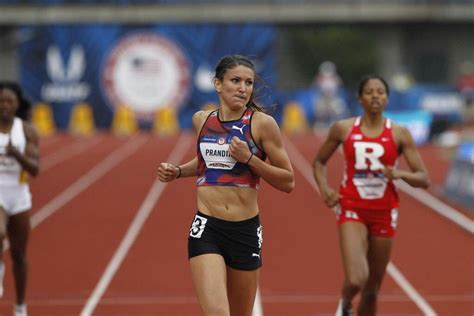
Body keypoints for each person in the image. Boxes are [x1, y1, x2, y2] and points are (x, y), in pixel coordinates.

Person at [158, 55, 294, 315]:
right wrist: (177, 171)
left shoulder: (262, 125)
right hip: (207, 227)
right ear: (218, 84)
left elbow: (288, 181)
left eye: (249, 82)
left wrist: (250, 159)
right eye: (235, 81)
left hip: (245, 230)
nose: (243, 88)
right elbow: (205, 164)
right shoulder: (202, 120)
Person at [312, 75, 430, 316]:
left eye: (380, 92)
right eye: (369, 92)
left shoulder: (399, 133)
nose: (375, 96)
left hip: (385, 212)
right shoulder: (343, 128)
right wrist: (325, 189)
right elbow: (318, 162)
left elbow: (423, 178)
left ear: (387, 98)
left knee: (372, 290)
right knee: (356, 279)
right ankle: (345, 304)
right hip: (351, 207)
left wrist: (397, 173)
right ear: (359, 98)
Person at [0, 81, 39, 316]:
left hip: (19, 194)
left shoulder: (26, 131)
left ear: (17, 105)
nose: (4, 105)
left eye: (9, 101)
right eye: (0, 101)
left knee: (19, 255)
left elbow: (35, 169)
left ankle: (20, 305)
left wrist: (17, 155)